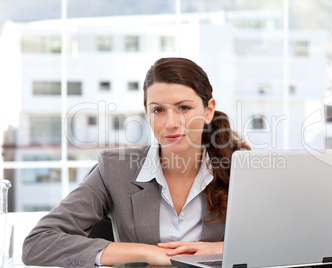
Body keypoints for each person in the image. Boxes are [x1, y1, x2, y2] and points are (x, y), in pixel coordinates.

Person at [22, 57, 250, 267]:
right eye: (158, 110)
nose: (171, 123)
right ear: (147, 113)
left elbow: (282, 240)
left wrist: (218, 249)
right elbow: (39, 243)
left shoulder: (243, 170)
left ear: (209, 110)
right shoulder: (115, 169)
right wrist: (145, 253)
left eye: (184, 108)